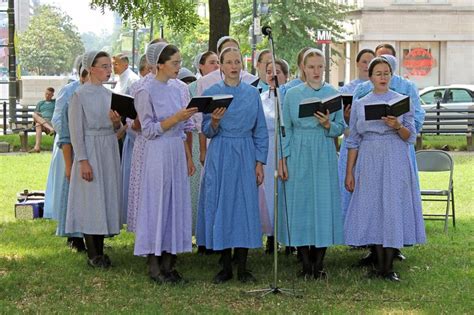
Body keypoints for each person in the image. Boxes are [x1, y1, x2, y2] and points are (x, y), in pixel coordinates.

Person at [344, 57, 426, 282]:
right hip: (369, 157)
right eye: (378, 73)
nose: (382, 77)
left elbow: (411, 137)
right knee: (373, 207)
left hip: (394, 155)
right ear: (370, 77)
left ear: (391, 75)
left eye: (386, 73)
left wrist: (397, 125)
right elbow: (353, 141)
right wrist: (349, 172)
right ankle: (377, 264)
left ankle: (388, 267)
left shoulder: (402, 101)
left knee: (391, 206)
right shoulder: (360, 103)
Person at [196, 47, 269, 284]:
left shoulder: (252, 93)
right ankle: (225, 266)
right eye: (229, 62)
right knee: (222, 204)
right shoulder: (212, 92)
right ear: (221, 66)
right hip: (221, 152)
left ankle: (243, 266)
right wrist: (215, 122)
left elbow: (260, 130)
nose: (234, 66)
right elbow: (206, 130)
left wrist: (260, 162)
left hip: (245, 151)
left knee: (245, 206)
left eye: (238, 61)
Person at [278, 48, 345, 280]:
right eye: (311, 67)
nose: (316, 71)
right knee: (302, 203)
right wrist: (283, 160)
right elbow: (284, 130)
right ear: (303, 69)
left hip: (323, 150)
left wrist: (329, 125)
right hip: (299, 150)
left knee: (322, 201)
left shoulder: (333, 93)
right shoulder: (292, 94)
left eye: (320, 67)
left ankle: (319, 263)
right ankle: (305, 263)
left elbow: (341, 128)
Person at [133, 42, 197, 283]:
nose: (179, 67)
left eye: (180, 62)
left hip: (175, 150)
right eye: (175, 63)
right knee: (157, 204)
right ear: (159, 65)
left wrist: (188, 156)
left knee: (175, 203)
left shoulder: (177, 89)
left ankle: (170, 263)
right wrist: (175, 118)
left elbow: (183, 129)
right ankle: (154, 265)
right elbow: (147, 130)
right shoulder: (145, 90)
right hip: (157, 151)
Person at [66, 51, 123, 268]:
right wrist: (83, 160)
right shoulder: (79, 96)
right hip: (89, 148)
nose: (109, 70)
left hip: (107, 147)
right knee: (91, 198)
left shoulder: (110, 95)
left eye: (110, 66)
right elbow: (76, 131)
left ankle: (100, 250)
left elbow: (118, 129)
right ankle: (93, 254)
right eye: (104, 66)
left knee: (104, 197)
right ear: (91, 68)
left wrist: (117, 123)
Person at [54, 61, 89, 251]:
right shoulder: (71, 92)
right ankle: (74, 237)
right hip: (74, 148)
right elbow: (59, 120)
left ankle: (90, 234)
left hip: (93, 149)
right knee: (73, 191)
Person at [338, 49, 375, 221]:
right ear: (357, 64)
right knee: (351, 183)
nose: (367, 66)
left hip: (372, 142)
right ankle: (350, 226)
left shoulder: (379, 88)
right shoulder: (348, 88)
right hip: (352, 139)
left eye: (371, 62)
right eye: (364, 62)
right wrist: (346, 117)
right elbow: (339, 121)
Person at [259, 59, 289, 254]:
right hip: (267, 148)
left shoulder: (290, 97)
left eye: (277, 71)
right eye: (269, 71)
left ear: (285, 75)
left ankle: (289, 238)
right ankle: (271, 236)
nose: (272, 75)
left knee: (286, 192)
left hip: (285, 147)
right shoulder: (259, 98)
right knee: (269, 193)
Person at [30, 87, 55, 153]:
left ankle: (37, 147)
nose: (47, 96)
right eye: (46, 94)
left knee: (38, 124)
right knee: (34, 116)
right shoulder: (40, 103)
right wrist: (38, 114)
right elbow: (35, 115)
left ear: (52, 95)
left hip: (51, 122)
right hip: (43, 122)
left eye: (49, 94)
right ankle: (37, 147)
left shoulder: (55, 103)